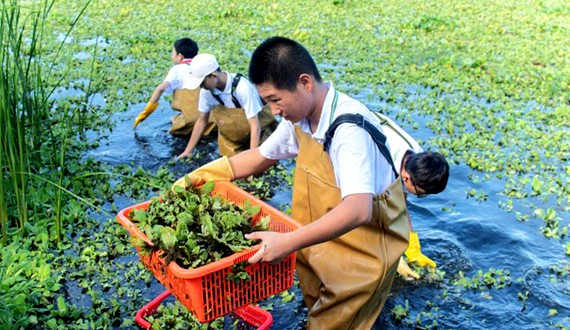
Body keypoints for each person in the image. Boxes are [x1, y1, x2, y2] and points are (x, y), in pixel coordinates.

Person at [173, 37, 410, 329]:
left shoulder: (348, 130)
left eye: (275, 99)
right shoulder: (300, 119)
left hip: (362, 253)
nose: (272, 111)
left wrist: (287, 242)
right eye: (267, 101)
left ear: (304, 83)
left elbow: (359, 210)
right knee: (315, 305)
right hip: (321, 240)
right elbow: (262, 156)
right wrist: (203, 176)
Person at [374, 112, 449, 279]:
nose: (420, 197)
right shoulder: (382, 171)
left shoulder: (417, 159)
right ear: (406, 177)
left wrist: (412, 247)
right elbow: (369, 214)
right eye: (420, 194)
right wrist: (395, 257)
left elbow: (402, 202)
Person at [176, 53, 277, 159]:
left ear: (213, 75)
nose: (201, 87)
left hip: (259, 133)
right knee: (230, 167)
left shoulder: (241, 87)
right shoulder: (206, 92)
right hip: (232, 137)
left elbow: (255, 126)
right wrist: (188, 151)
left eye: (202, 83)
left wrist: (251, 158)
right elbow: (202, 121)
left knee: (263, 161)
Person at [133, 38, 214, 135]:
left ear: (180, 56)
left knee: (176, 129)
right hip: (211, 120)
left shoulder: (177, 69)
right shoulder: (203, 67)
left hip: (190, 120)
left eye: (173, 53)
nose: (172, 56)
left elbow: (161, 88)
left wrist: (146, 111)